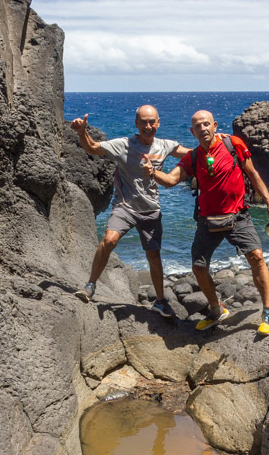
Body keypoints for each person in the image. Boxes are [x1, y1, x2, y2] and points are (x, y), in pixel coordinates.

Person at [143, 109, 269, 333]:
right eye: (198, 126)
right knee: (198, 267)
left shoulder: (233, 144)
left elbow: (253, 174)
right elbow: (170, 180)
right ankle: (217, 310)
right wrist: (152, 172)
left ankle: (268, 311)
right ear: (192, 131)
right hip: (208, 221)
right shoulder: (192, 157)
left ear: (214, 125)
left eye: (206, 124)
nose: (203, 128)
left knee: (256, 256)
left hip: (238, 216)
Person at [71, 105, 190, 317]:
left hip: (151, 210)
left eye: (152, 122)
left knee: (153, 255)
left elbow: (193, 154)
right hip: (125, 206)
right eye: (143, 122)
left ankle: (160, 302)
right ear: (136, 124)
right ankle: (90, 285)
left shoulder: (165, 145)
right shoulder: (124, 145)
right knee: (109, 240)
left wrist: (217, 142)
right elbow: (93, 148)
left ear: (158, 123)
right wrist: (82, 132)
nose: (148, 126)